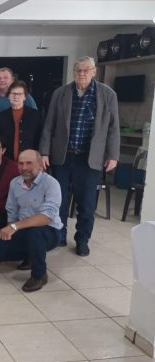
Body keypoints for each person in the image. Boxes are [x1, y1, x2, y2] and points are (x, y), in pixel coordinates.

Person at [39, 56, 120, 256]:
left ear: (94, 71)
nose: (82, 74)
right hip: (63, 156)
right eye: (78, 70)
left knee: (87, 203)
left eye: (86, 70)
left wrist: (113, 155)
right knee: (59, 200)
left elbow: (113, 128)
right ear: (73, 72)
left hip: (90, 158)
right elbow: (49, 125)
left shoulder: (107, 94)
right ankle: (59, 235)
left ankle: (82, 240)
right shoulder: (60, 93)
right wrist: (44, 152)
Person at [0, 150, 63, 292]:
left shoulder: (51, 183)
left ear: (40, 164)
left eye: (29, 163)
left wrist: (15, 226)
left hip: (49, 231)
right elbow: (12, 212)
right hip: (23, 228)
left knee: (35, 233)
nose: (24, 167)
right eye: (21, 164)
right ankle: (30, 255)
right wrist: (10, 232)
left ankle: (39, 275)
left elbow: (46, 217)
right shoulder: (15, 183)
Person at [0, 80, 42, 160]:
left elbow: (39, 138)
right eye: (13, 93)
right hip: (7, 160)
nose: (16, 97)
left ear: (25, 97)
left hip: (29, 160)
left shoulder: (35, 115)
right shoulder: (1, 117)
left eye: (19, 94)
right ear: (8, 96)